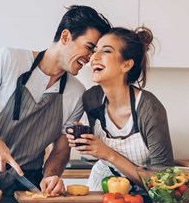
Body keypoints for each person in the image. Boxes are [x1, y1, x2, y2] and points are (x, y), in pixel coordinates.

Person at [0, 5, 111, 196]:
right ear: (66, 37)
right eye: (89, 48)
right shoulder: (9, 60)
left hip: (31, 183)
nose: (92, 58)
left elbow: (61, 148)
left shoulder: (76, 93)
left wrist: (50, 176)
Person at [67, 26, 174, 191]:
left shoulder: (149, 109)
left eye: (107, 51)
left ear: (126, 65)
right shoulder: (92, 98)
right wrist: (84, 138)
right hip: (101, 186)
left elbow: (163, 183)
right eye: (95, 50)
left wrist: (108, 153)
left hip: (144, 195)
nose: (94, 57)